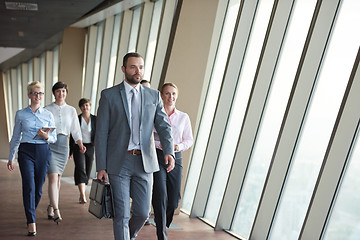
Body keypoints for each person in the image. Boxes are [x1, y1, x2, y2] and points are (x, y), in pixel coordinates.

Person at [95, 52, 175, 240]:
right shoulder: (109, 95)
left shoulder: (153, 95)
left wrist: (169, 151)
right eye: (133, 67)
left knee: (142, 213)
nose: (137, 71)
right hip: (118, 162)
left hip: (144, 162)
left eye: (140, 67)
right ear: (123, 69)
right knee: (122, 214)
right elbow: (101, 133)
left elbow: (163, 126)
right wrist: (101, 166)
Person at [7, 81, 57, 236]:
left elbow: (54, 138)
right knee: (29, 186)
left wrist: (46, 136)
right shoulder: (21, 114)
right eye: (35, 93)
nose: (38, 96)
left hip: (43, 151)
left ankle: (31, 212)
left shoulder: (48, 114)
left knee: (38, 189)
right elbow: (15, 137)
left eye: (40, 93)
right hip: (26, 151)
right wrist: (11, 157)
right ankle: (31, 221)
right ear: (29, 95)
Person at [152, 83, 193, 240]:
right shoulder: (155, 115)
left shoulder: (183, 117)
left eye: (173, 94)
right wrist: (160, 144)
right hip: (158, 156)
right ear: (161, 95)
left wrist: (178, 146)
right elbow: (148, 137)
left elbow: (189, 139)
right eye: (167, 94)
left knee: (174, 199)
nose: (171, 97)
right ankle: (162, 233)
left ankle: (164, 221)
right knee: (160, 194)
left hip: (176, 156)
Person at [45, 82, 86, 223]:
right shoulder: (47, 109)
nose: (61, 94)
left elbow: (75, 129)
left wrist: (80, 144)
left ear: (66, 93)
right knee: (53, 178)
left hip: (64, 146)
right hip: (50, 145)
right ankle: (56, 210)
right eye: (58, 91)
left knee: (57, 179)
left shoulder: (71, 110)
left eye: (63, 91)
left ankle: (51, 205)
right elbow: (43, 129)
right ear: (54, 93)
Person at [69, 98, 96, 204]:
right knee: (80, 168)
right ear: (80, 107)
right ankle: (83, 194)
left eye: (87, 105)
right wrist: (70, 151)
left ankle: (82, 192)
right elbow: (72, 135)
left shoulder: (95, 119)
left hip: (90, 147)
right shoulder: (77, 119)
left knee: (87, 170)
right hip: (78, 147)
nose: (85, 107)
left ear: (90, 106)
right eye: (83, 106)